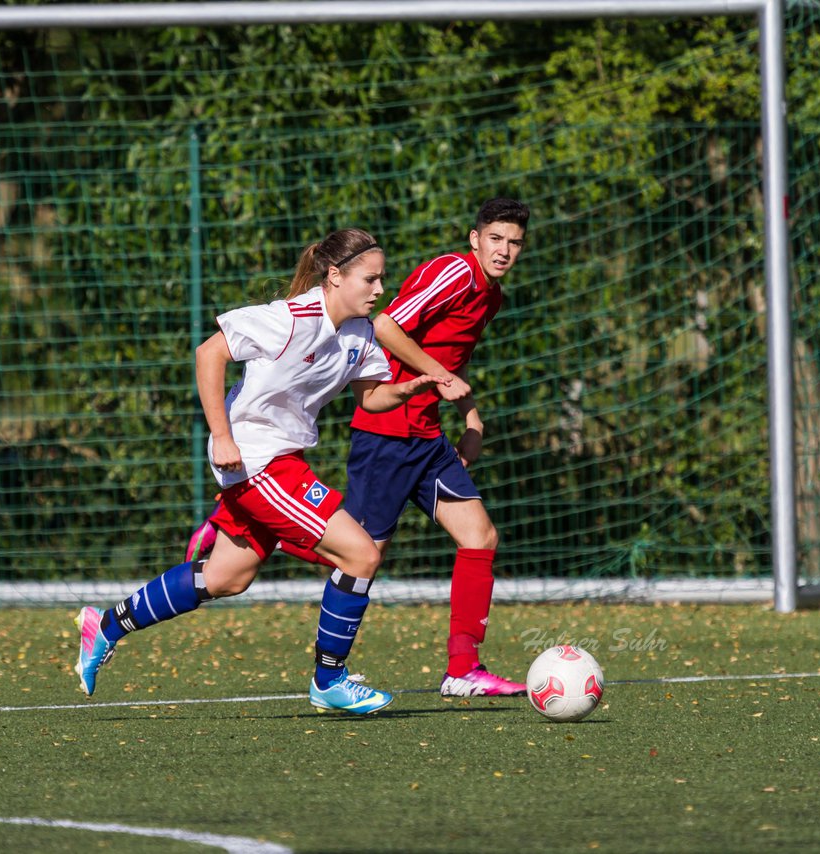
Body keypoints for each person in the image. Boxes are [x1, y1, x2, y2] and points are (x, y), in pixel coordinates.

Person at [75, 228, 446, 715]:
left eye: (382, 280)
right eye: (370, 279)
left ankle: (105, 626)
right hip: (255, 459)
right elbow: (209, 353)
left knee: (228, 578)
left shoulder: (359, 332)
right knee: (360, 554)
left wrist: (410, 388)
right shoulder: (288, 318)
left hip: (280, 460)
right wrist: (223, 435)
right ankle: (329, 680)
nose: (380, 290)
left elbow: (371, 399)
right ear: (334, 276)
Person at [343, 197, 531, 698]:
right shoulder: (454, 272)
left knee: (480, 536)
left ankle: (463, 668)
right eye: (495, 239)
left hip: (427, 437)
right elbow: (385, 326)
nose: (504, 250)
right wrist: (440, 376)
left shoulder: (492, 297)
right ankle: (247, 527)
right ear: (476, 239)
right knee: (356, 554)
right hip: (386, 433)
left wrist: (472, 417)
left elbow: (452, 358)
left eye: (514, 242)